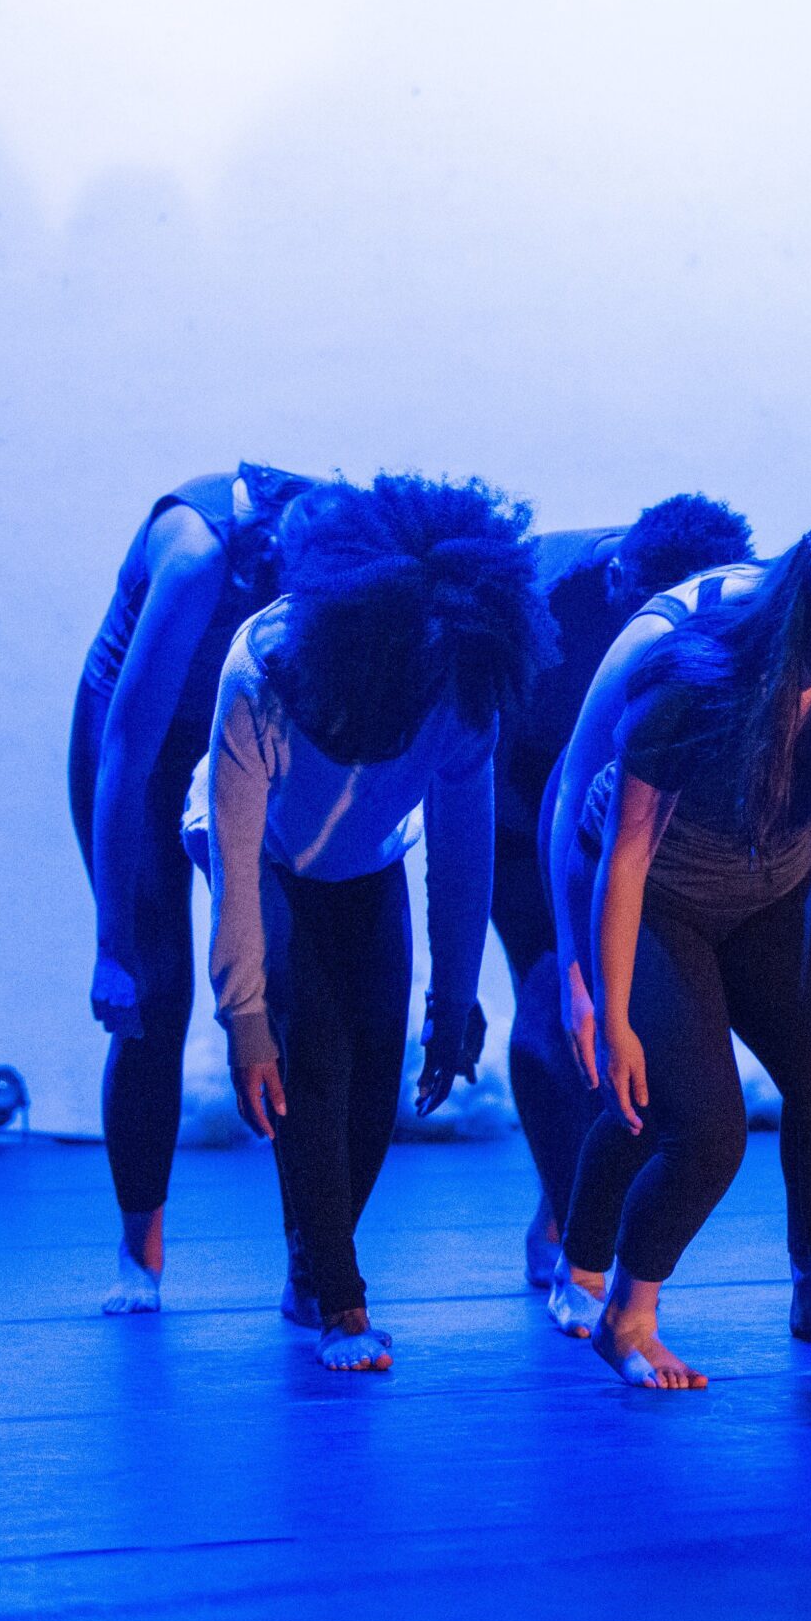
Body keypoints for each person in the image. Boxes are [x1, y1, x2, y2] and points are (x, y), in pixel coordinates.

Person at [192, 474, 550, 1370]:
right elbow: (236, 866)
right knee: (312, 1056)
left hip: (370, 862)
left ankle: (311, 1260)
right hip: (268, 861)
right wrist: (245, 1020)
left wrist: (454, 997)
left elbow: (463, 849)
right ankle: (341, 1304)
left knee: (374, 1083)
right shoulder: (262, 672)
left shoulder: (459, 680)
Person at [581, 515, 811, 1400]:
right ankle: (627, 1314)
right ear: (803, 622)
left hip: (776, 895)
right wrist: (612, 1014)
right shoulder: (695, 683)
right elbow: (625, 857)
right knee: (708, 1133)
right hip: (661, 903)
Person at [71, 461, 319, 1315]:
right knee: (156, 991)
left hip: (237, 731)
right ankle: (139, 1246)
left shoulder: (335, 549)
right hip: (138, 744)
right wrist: (111, 946)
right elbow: (125, 755)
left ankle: (311, 1252)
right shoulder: (196, 555)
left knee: (287, 987)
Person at [498, 497, 753, 1290]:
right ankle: (564, 1222)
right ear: (618, 583)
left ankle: (575, 1209)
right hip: (521, 794)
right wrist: (574, 964)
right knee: (557, 999)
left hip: (633, 790)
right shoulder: (546, 603)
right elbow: (557, 788)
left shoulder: (728, 608)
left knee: (632, 1013)